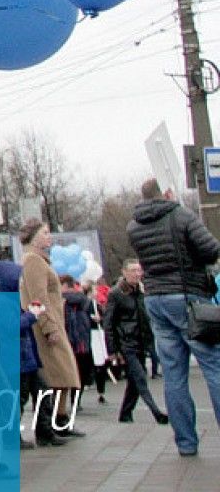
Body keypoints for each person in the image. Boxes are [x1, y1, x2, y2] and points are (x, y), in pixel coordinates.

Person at [126, 177, 220, 457]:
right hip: (187, 297)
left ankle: (186, 443)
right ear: (166, 193)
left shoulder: (134, 226)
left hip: (155, 299)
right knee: (213, 367)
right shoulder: (180, 215)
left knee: (173, 374)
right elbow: (211, 249)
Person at [18, 220, 83, 434]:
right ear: (34, 236)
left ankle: (60, 418)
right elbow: (38, 296)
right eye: (45, 233)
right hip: (46, 325)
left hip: (53, 321)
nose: (49, 237)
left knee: (62, 374)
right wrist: (49, 327)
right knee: (57, 374)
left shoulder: (39, 260)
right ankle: (55, 421)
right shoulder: (33, 261)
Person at [0, 259, 65, 449]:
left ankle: (45, 432)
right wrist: (32, 315)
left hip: (26, 356)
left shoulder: (14, 298)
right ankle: (13, 438)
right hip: (16, 357)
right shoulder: (2, 301)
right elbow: (11, 327)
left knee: (42, 392)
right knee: (18, 399)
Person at [102, 258, 168, 426]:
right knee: (140, 378)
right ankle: (156, 412)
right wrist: (112, 350)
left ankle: (125, 413)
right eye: (133, 270)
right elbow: (108, 323)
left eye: (139, 270)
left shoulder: (141, 291)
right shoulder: (116, 293)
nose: (137, 274)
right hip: (126, 343)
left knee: (134, 381)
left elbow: (145, 317)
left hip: (140, 341)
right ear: (124, 272)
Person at [60, 275, 97, 401]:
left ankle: (60, 402)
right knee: (80, 371)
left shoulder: (61, 301)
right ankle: (76, 399)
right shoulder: (84, 300)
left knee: (63, 371)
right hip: (82, 340)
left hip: (66, 339)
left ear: (64, 285)